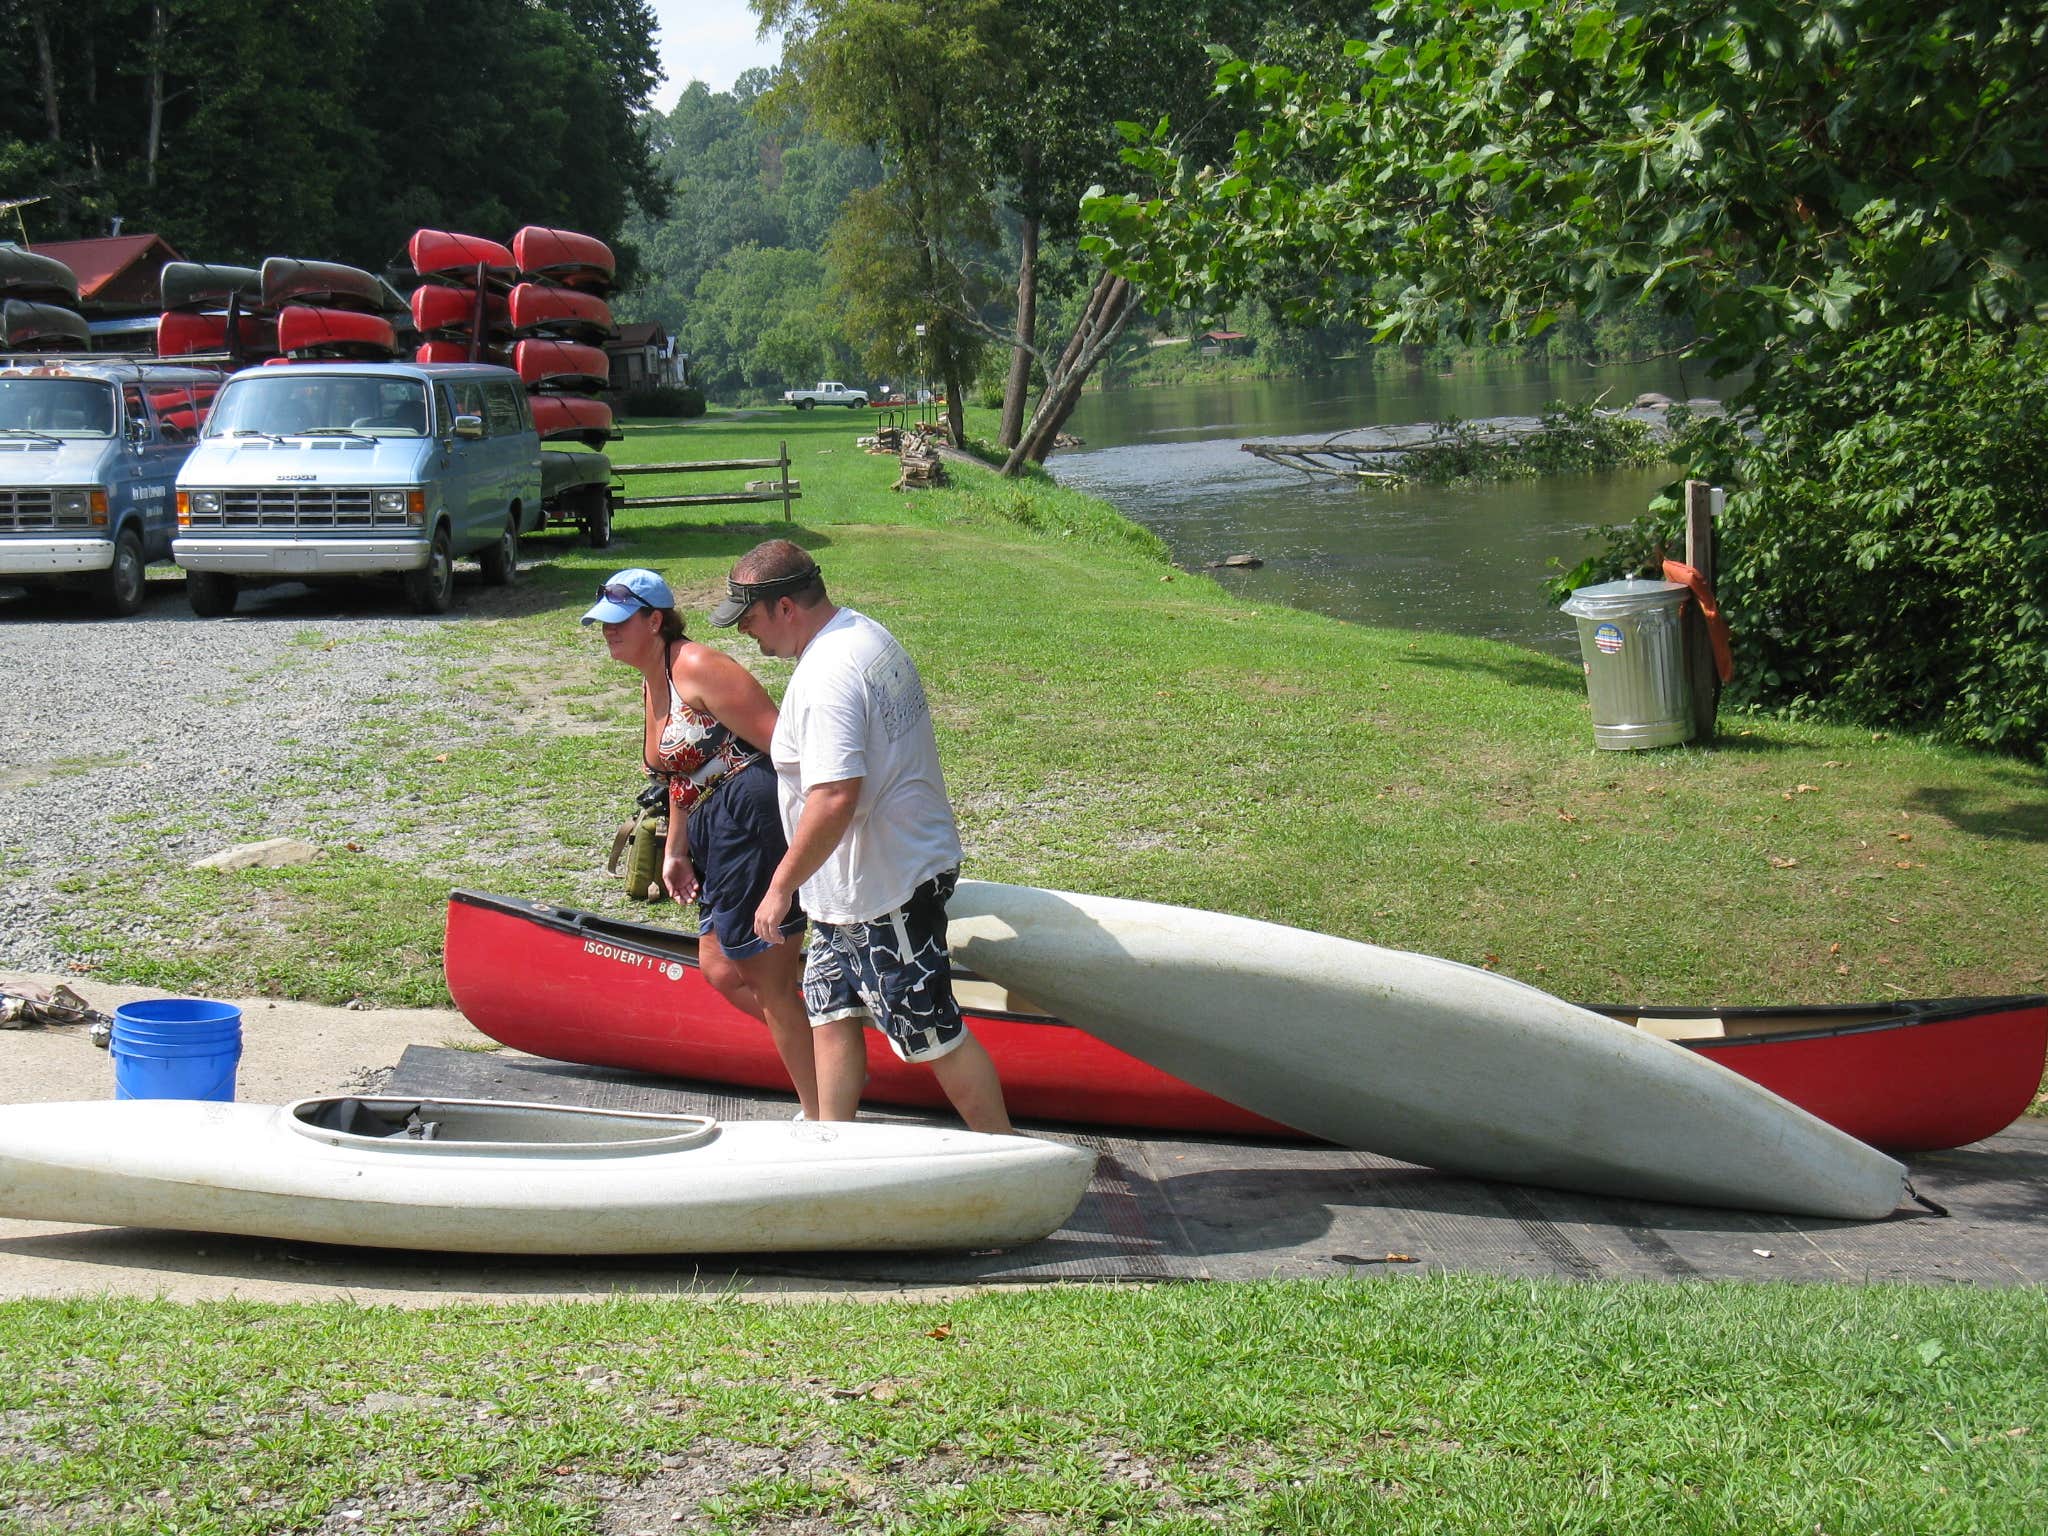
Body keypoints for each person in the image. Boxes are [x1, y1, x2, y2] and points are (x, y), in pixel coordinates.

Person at [711, 539, 1012, 1133]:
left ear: (786, 608)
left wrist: (778, 888)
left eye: (749, 620)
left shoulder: (827, 677)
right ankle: (833, 1143)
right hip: (846, 890)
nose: (746, 634)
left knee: (932, 1033)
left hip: (884, 890)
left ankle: (1009, 1154)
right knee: (830, 1013)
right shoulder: (862, 634)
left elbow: (834, 796)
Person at [583, 567, 820, 1118]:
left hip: (750, 811)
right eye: (602, 623)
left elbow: (786, 746)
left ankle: (820, 1110)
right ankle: (827, 1037)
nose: (608, 632)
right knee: (719, 968)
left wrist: (816, 834)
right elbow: (680, 774)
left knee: (766, 975)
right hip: (713, 820)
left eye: (619, 622)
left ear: (655, 620)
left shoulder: (697, 665)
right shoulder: (654, 677)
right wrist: (676, 849)